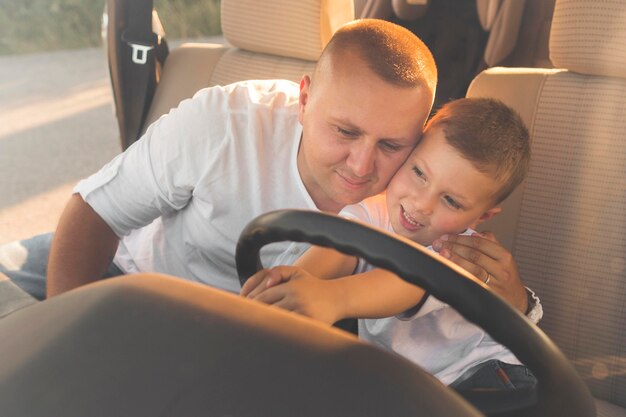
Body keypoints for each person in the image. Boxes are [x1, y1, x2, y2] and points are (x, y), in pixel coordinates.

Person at [0, 19, 530, 319]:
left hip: (239, 335)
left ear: (422, 133)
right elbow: (96, 209)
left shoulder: (421, 191)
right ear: (304, 100)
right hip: (133, 273)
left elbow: (425, 286)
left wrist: (514, 299)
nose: (363, 165)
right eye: (344, 132)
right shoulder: (224, 122)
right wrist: (69, 329)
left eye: (392, 143)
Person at [241, 97, 542, 390]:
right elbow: (340, 247)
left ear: (482, 216)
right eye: (419, 173)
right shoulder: (374, 209)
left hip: (483, 377)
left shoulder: (460, 251)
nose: (421, 204)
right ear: (407, 155)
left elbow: (413, 282)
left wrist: (331, 298)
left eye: (451, 201)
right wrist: (293, 287)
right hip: (403, 379)